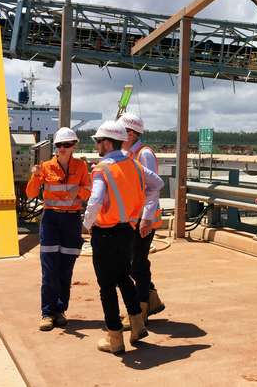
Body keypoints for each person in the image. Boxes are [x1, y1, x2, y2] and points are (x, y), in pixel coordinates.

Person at [83, 120, 164, 355]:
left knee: (106, 286)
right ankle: (137, 325)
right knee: (123, 277)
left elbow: (96, 200)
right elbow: (157, 184)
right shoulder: (135, 165)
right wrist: (144, 213)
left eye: (98, 141)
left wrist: (86, 223)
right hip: (127, 230)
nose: (97, 145)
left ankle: (115, 338)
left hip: (105, 231)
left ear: (107, 143)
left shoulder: (102, 169)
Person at [25, 127, 91, 331]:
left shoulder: (81, 167)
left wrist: (71, 192)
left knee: (66, 268)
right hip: (51, 221)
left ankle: (60, 310)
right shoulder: (44, 167)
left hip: (71, 221)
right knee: (49, 269)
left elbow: (87, 192)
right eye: (60, 145)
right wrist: (36, 176)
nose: (63, 148)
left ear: (74, 146)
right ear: (55, 147)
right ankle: (46, 312)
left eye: (67, 145)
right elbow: (30, 194)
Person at [118, 113, 165, 330]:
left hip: (143, 221)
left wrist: (146, 219)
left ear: (130, 133)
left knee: (137, 263)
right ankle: (151, 298)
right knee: (132, 263)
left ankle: (142, 308)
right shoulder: (128, 153)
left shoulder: (143, 154)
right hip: (132, 219)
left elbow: (151, 189)